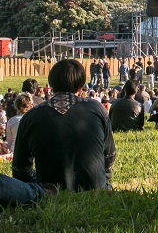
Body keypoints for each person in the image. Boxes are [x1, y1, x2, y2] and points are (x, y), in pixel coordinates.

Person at [5, 59, 116, 205]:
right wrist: (100, 180)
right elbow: (109, 157)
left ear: (51, 83)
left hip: (49, 191)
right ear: (81, 85)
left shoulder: (31, 116)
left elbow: (20, 170)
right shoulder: (97, 109)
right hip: (96, 188)